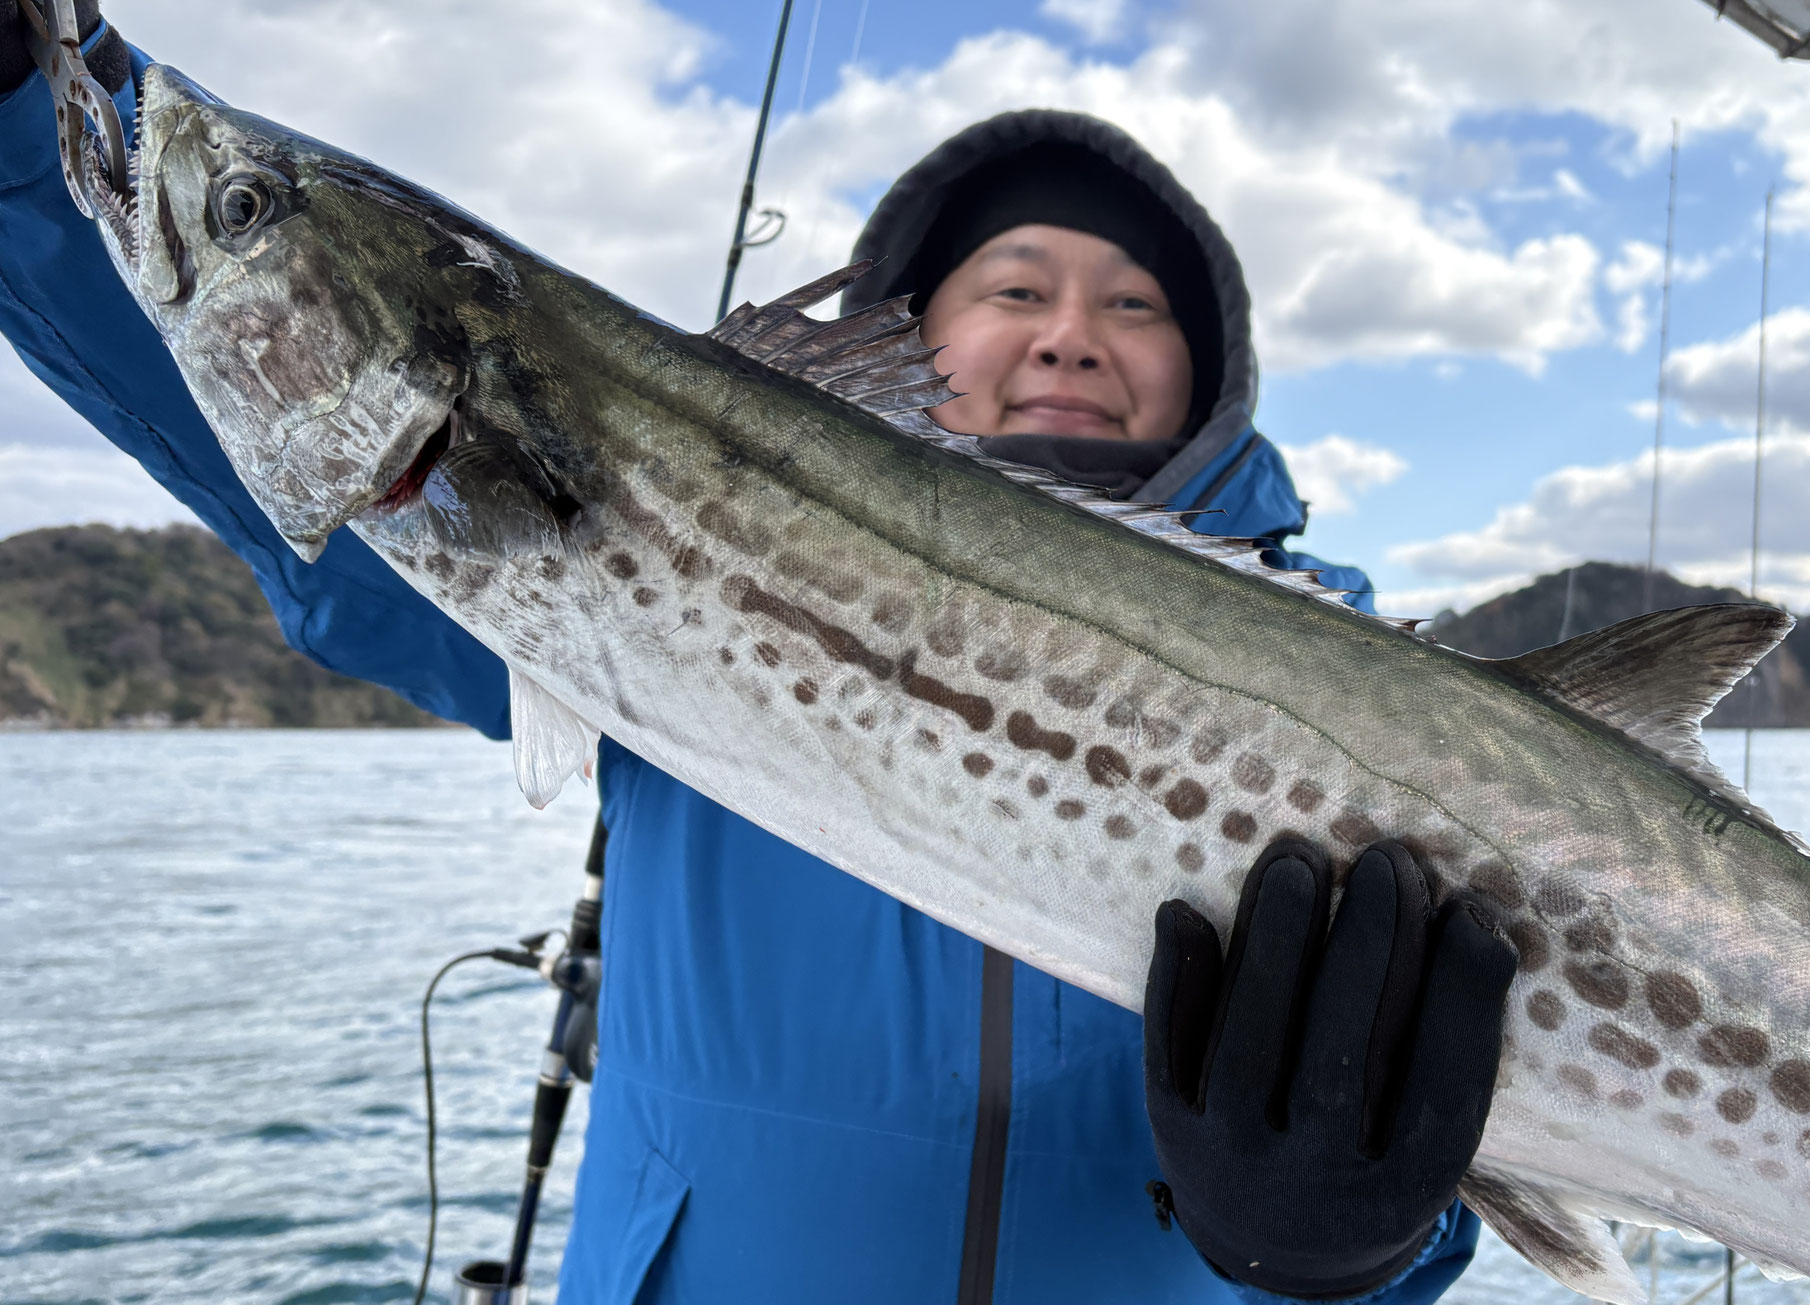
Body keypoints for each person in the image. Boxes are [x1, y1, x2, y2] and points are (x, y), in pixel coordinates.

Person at [0, 8, 1517, 1302]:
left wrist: (1355, 1246)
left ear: (1210, 369)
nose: (1070, 334)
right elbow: (290, 448)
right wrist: (32, 116)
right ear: (904, 334)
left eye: (1133, 304)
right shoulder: (639, 546)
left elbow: (1530, 1078)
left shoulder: (1365, 687)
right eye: (1015, 290)